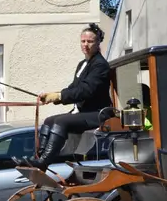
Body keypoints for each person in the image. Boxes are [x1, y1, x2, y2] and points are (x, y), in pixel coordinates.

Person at [16, 23, 113, 169]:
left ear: (98, 42)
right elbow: (73, 89)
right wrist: (51, 96)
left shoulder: (100, 65)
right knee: (49, 120)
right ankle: (38, 158)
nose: (85, 45)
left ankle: (43, 162)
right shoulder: (83, 64)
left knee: (61, 122)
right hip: (82, 113)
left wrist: (58, 96)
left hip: (96, 114)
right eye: (83, 41)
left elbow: (85, 91)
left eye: (90, 41)